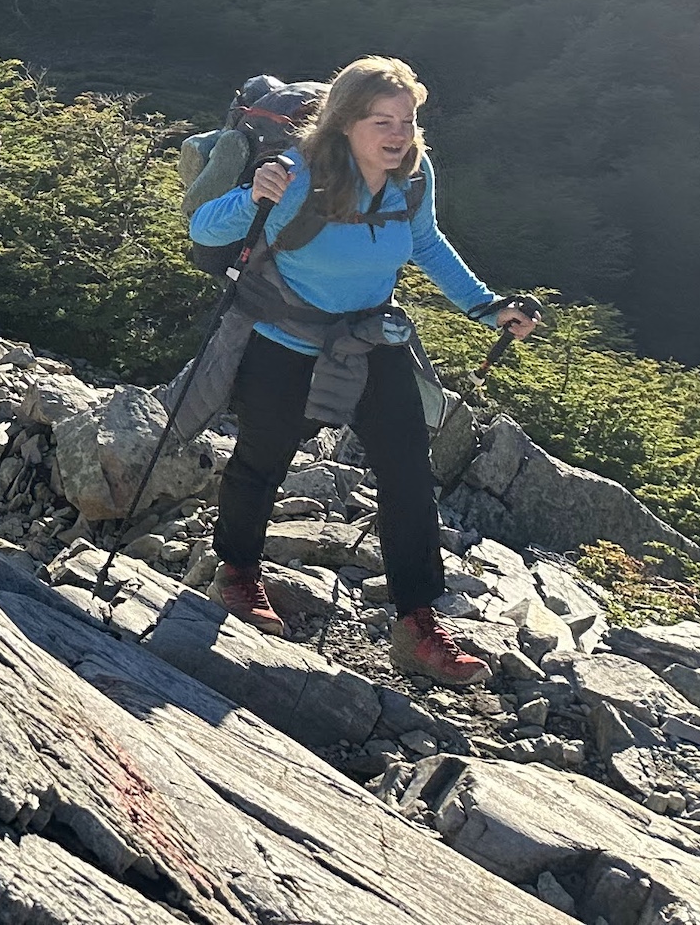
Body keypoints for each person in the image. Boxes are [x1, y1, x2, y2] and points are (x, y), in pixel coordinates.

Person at [179, 54, 536, 687]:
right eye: (382, 121)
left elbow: (425, 243)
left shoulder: (414, 177)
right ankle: (237, 571)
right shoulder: (298, 174)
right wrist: (252, 195)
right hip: (283, 332)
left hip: (371, 336)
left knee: (408, 471)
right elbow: (204, 227)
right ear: (345, 122)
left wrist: (487, 307)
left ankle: (418, 622)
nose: (398, 134)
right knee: (264, 457)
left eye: (407, 120)